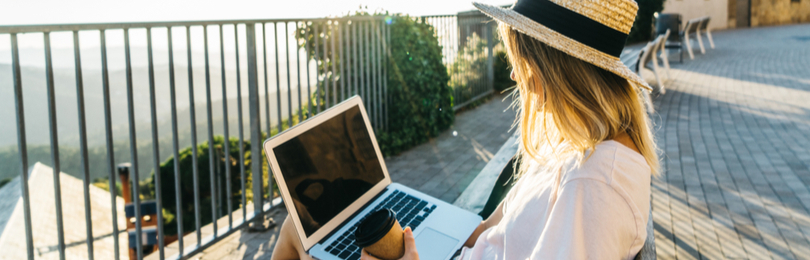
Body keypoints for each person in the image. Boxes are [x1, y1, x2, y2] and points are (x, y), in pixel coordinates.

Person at [274, 0, 660, 258]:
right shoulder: (579, 143)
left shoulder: (594, 187)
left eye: (521, 60)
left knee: (300, 231)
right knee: (305, 224)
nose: (513, 74)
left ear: (556, 69)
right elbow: (497, 226)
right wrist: (439, 230)